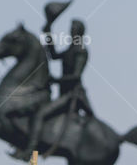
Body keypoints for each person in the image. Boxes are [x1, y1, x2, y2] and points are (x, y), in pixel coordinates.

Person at [26, 18, 94, 156]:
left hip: (72, 96)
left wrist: (56, 80)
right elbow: (54, 55)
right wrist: (48, 33)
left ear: (79, 32)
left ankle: (30, 149)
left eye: (74, 28)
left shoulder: (80, 50)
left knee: (41, 114)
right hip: (64, 94)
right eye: (71, 28)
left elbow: (76, 77)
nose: (71, 30)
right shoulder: (71, 49)